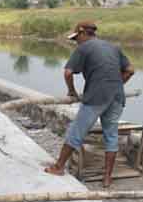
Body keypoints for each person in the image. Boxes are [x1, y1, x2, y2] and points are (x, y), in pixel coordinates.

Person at [45, 21, 135, 187]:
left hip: (96, 96)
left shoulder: (84, 47)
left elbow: (67, 72)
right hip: (117, 97)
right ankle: (107, 178)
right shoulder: (113, 47)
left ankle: (58, 167)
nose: (76, 42)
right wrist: (116, 84)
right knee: (111, 135)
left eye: (76, 38)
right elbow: (130, 70)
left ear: (82, 33)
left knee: (76, 131)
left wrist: (71, 91)